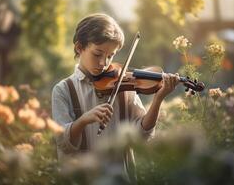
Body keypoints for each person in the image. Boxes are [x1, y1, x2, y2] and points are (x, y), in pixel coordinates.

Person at [51, 13, 179, 182]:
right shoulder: (63, 90)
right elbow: (63, 143)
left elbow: (142, 134)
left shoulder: (123, 86)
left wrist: (158, 99)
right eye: (97, 54)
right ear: (79, 47)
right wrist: (83, 120)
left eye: (110, 56)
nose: (104, 63)